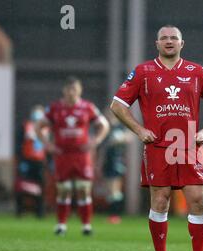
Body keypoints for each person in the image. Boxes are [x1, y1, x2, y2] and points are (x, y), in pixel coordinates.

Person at [110, 25, 203, 251]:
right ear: (157, 43)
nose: (169, 41)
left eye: (174, 38)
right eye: (164, 38)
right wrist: (139, 130)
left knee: (199, 200)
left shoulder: (197, 72)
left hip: (188, 147)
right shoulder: (143, 71)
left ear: (182, 43)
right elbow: (117, 105)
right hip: (158, 147)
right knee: (160, 201)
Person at [35, 77, 110, 236]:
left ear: (80, 90)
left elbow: (104, 125)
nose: (71, 92)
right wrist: (47, 144)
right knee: (64, 189)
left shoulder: (87, 107)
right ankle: (61, 225)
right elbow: (38, 126)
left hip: (81, 154)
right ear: (64, 90)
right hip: (62, 154)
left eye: (74, 89)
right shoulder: (54, 108)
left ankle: (86, 225)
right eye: (69, 89)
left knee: (84, 189)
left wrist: (95, 141)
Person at [15, 105, 47, 218]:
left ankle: (40, 212)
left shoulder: (46, 128)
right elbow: (18, 143)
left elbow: (48, 146)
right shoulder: (25, 126)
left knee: (40, 187)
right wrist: (21, 160)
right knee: (22, 186)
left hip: (40, 162)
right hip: (27, 161)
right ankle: (20, 211)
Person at [101, 109, 132, 224]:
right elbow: (104, 148)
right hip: (108, 161)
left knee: (114, 188)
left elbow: (129, 137)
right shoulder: (106, 128)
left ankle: (116, 214)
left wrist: (120, 139)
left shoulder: (120, 127)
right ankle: (113, 214)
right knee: (110, 190)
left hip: (117, 161)